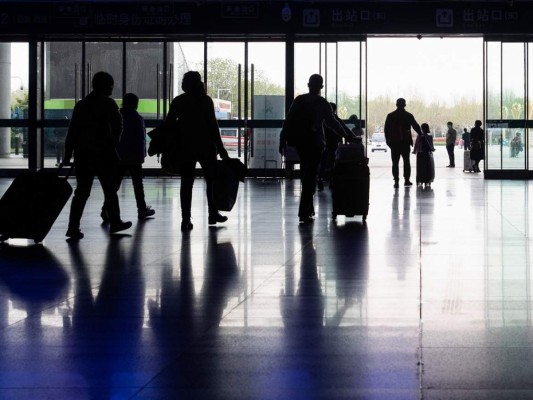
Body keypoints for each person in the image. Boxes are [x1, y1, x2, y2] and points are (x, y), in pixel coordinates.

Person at [63, 71, 132, 239]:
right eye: (110, 86)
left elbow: (72, 131)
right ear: (106, 86)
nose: (111, 89)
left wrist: (67, 154)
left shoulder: (81, 105)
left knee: (82, 191)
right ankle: (115, 221)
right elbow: (118, 126)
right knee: (109, 190)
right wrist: (114, 143)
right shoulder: (109, 104)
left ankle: (73, 226)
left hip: (83, 154)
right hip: (104, 154)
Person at [281, 74, 352, 223]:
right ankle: (304, 210)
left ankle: (308, 207)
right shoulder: (322, 103)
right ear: (321, 87)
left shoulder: (299, 100)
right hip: (315, 144)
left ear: (308, 85)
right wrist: (348, 136)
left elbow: (288, 121)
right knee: (310, 176)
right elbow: (333, 123)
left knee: (306, 174)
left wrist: (282, 139)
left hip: (300, 143)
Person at [165, 71, 230, 231]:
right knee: (211, 181)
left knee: (186, 183)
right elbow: (213, 126)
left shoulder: (178, 101)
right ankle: (212, 212)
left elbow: (169, 125)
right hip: (206, 146)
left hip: (185, 147)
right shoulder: (205, 101)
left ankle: (185, 219)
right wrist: (221, 148)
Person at [101, 93, 155, 222]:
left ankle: (105, 210)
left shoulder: (116, 116)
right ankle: (142, 209)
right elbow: (140, 140)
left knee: (114, 185)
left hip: (118, 156)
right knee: (137, 184)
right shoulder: (137, 119)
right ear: (135, 104)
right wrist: (142, 156)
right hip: (133, 158)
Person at [384, 98, 422, 188]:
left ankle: (396, 181)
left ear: (396, 104)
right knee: (406, 162)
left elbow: (386, 130)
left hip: (394, 143)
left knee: (395, 163)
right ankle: (406, 180)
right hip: (405, 142)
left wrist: (388, 141)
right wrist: (421, 133)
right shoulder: (408, 115)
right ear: (405, 105)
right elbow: (415, 126)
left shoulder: (390, 116)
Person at [316, 103, 353, 191]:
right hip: (334, 144)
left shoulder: (322, 119)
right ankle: (332, 180)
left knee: (323, 162)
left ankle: (320, 178)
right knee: (334, 162)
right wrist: (351, 136)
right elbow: (344, 129)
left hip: (325, 143)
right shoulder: (336, 119)